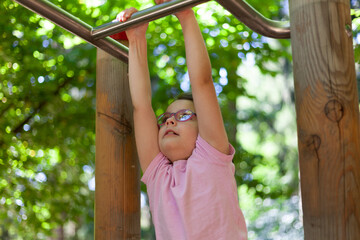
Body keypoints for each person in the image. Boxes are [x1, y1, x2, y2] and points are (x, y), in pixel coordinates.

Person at [117, 1, 247, 239]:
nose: (169, 121)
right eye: (165, 118)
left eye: (183, 116)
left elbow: (202, 83)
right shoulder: (159, 176)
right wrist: (136, 38)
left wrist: (185, 14)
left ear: (203, 129)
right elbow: (141, 107)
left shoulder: (210, 158)